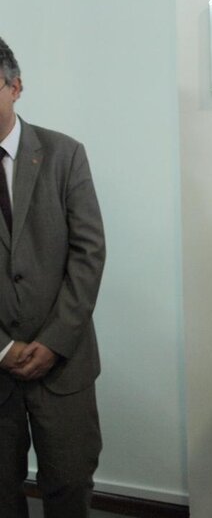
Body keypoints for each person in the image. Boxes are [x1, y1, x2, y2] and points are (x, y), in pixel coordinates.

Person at [0, 37, 105, 518]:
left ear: (16, 87)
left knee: (69, 484)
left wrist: (54, 341)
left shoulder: (64, 154)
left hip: (63, 362)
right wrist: (3, 347)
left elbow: (89, 253)